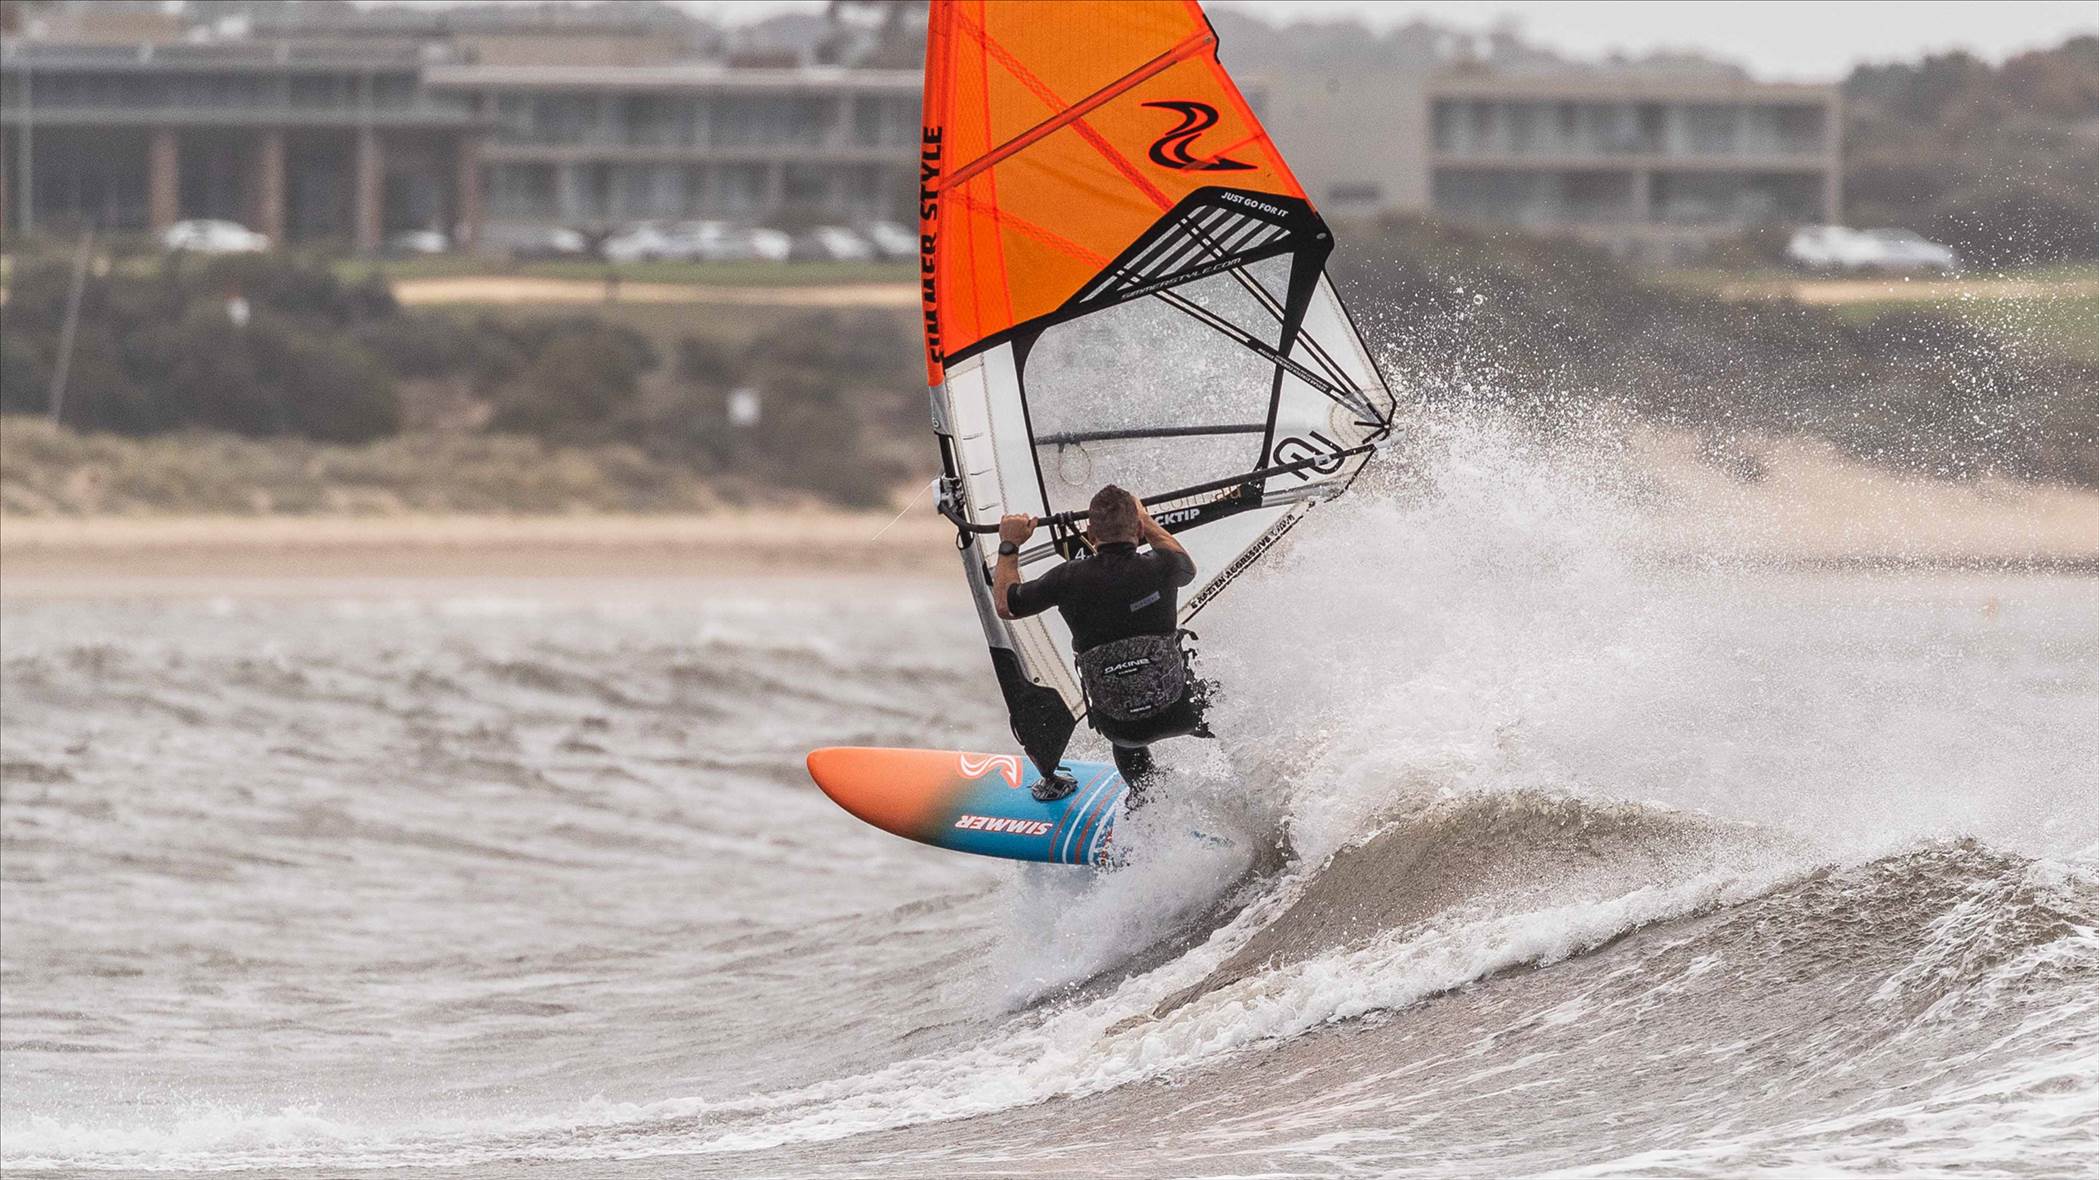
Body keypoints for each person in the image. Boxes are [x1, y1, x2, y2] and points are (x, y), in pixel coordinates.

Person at [993, 485, 1211, 806]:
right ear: (1138, 529)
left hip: (1121, 727)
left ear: (1090, 532)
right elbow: (1184, 564)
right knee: (1225, 709)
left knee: (1127, 744)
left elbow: (1007, 606)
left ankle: (1148, 802)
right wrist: (1145, 518)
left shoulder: (1066, 578)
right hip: (1182, 711)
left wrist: (1009, 546)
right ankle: (1260, 782)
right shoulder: (1164, 566)